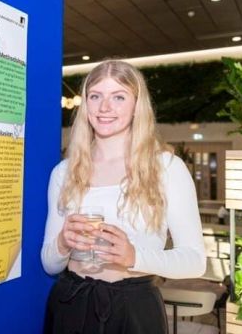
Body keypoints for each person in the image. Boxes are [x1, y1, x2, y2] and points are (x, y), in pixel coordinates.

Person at [41, 60, 206, 334]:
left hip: (134, 309)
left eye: (118, 97)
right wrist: (62, 243)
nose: (105, 107)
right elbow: (48, 263)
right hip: (71, 303)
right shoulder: (64, 172)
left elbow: (195, 261)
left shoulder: (165, 168)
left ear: (136, 105)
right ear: (86, 104)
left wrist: (133, 257)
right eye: (95, 96)